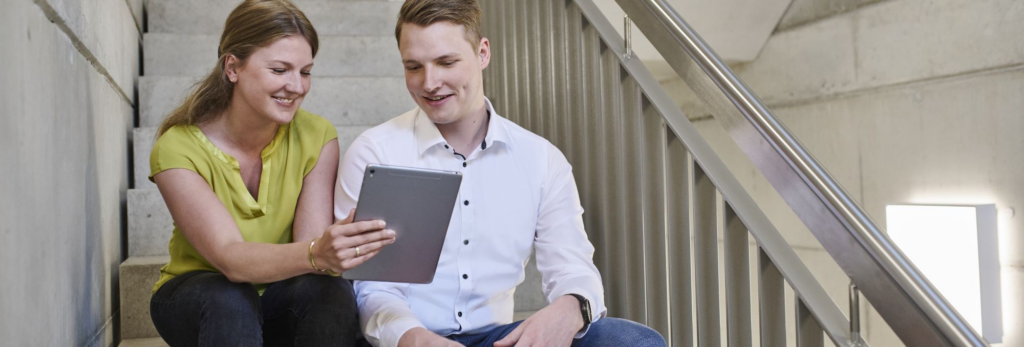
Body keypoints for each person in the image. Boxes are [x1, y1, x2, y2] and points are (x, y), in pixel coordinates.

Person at [334, 1, 666, 346]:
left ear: (482, 53)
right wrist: (414, 338)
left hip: (497, 338)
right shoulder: (376, 153)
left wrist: (569, 309)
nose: (429, 83)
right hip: (405, 339)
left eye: (446, 62)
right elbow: (372, 288)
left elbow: (573, 266)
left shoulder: (540, 160)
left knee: (634, 341)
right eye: (413, 67)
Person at [147, 0, 394, 345]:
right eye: (280, 70)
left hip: (278, 295)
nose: (297, 86)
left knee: (329, 291)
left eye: (305, 72)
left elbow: (310, 251)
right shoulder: (177, 147)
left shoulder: (317, 135)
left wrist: (331, 250)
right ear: (232, 67)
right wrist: (317, 251)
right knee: (230, 297)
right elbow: (230, 259)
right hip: (199, 298)